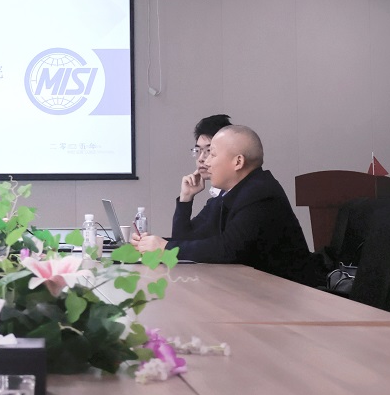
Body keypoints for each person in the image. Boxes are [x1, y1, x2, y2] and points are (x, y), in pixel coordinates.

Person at [134, 125, 325, 286]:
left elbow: (228, 249)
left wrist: (166, 247)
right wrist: (184, 203)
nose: (206, 162)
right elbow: (188, 239)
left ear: (238, 162)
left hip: (287, 295)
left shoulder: (260, 192)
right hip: (256, 290)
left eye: (212, 154)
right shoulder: (232, 193)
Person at [172, 114, 232, 240]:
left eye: (209, 151)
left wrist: (163, 245)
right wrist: (186, 198)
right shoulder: (218, 198)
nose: (201, 159)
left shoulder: (239, 196)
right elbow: (182, 240)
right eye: (198, 151)